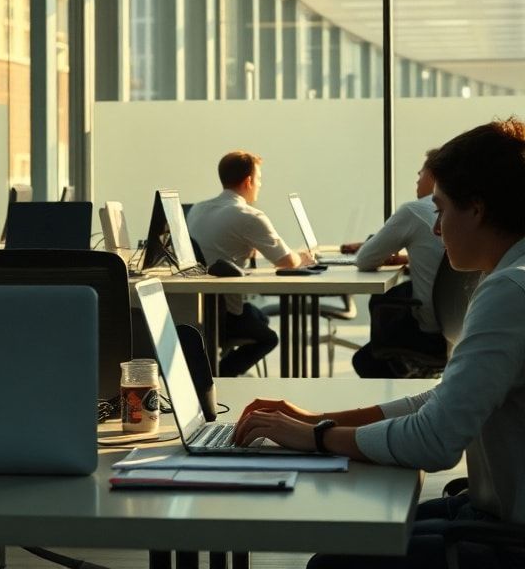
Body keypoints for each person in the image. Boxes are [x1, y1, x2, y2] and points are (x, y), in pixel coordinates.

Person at [234, 117, 525, 569]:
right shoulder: (510, 276)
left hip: (508, 537)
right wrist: (318, 418)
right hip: (493, 513)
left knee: (332, 563)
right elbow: (444, 400)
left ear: (478, 209)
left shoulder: (510, 292)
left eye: (442, 210)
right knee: (367, 526)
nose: (434, 230)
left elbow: (434, 441)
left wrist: (316, 437)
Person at [188, 151, 313, 376]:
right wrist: (302, 258)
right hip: (227, 313)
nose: (260, 184)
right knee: (269, 338)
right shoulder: (249, 215)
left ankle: (218, 367)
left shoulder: (197, 209)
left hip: (195, 310)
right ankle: (220, 374)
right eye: (260, 179)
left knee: (260, 317)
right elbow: (286, 262)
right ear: (249, 181)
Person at [346, 151, 447, 378]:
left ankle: (399, 389)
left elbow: (364, 260)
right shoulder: (469, 211)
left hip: (427, 330)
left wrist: (382, 249)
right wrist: (407, 258)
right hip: (458, 326)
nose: (418, 178)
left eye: (421, 172)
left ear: (433, 175)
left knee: (365, 360)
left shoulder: (415, 209)